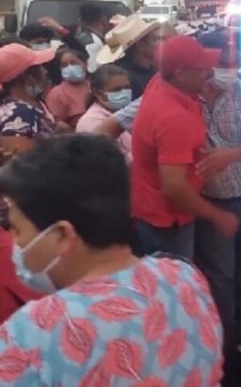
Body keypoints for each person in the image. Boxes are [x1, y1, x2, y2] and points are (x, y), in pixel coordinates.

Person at [0, 134, 224, 386]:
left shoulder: (30, 333)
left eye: (17, 228)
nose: (13, 241)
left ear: (62, 234)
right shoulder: (185, 277)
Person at [192, 31, 241, 353]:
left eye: (233, 62)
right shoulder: (177, 95)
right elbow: (117, 122)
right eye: (222, 62)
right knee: (219, 273)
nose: (230, 68)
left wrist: (231, 155)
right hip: (209, 199)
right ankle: (223, 335)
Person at [131, 36, 239, 259]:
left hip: (149, 212)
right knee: (172, 285)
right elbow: (174, 187)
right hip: (167, 224)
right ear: (180, 73)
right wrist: (218, 217)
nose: (209, 73)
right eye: (201, 69)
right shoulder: (174, 118)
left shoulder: (159, 83)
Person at [0, 42, 61, 154]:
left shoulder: (31, 104)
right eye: (38, 67)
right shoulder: (19, 113)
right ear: (25, 76)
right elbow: (20, 163)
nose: (45, 71)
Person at [75, 64, 133, 163]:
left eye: (127, 87)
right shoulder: (92, 122)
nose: (124, 93)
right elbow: (115, 162)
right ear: (98, 93)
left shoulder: (124, 112)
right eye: (116, 89)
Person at [97, 15, 163, 100]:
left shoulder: (153, 68)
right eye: (154, 40)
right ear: (141, 45)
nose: (159, 44)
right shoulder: (125, 77)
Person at [45, 48, 90, 127]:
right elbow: (57, 124)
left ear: (85, 64)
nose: (70, 67)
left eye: (73, 63)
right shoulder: (57, 94)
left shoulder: (96, 85)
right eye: (64, 65)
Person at [76, 2, 108, 72]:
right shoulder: (92, 43)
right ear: (103, 20)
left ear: (80, 21)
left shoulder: (83, 38)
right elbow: (92, 70)